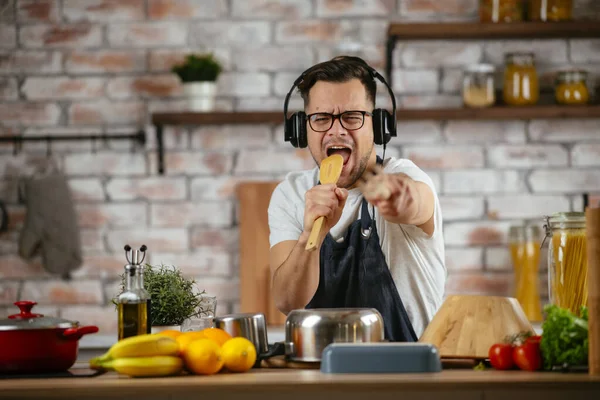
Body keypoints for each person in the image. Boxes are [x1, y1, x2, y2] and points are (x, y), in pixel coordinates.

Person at [267, 56, 446, 341]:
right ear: (302, 130)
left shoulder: (405, 176)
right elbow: (289, 302)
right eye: (321, 118)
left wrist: (396, 197)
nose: (336, 131)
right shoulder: (290, 194)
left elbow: (415, 201)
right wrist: (309, 237)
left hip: (408, 374)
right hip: (321, 374)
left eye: (352, 117)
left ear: (377, 125)